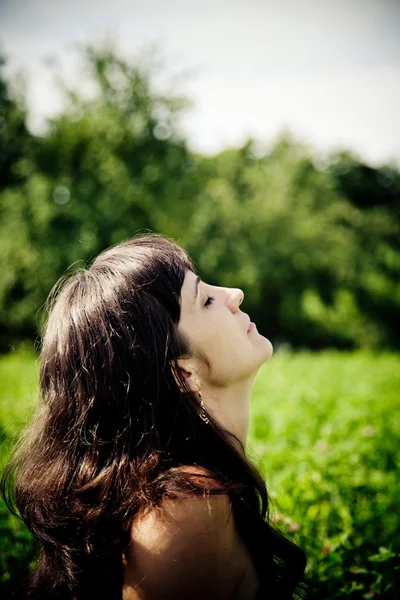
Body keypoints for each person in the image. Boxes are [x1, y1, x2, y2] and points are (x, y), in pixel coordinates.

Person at [2, 234, 309, 599]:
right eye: (206, 300)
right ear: (182, 373)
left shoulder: (184, 490)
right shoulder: (183, 509)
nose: (235, 293)